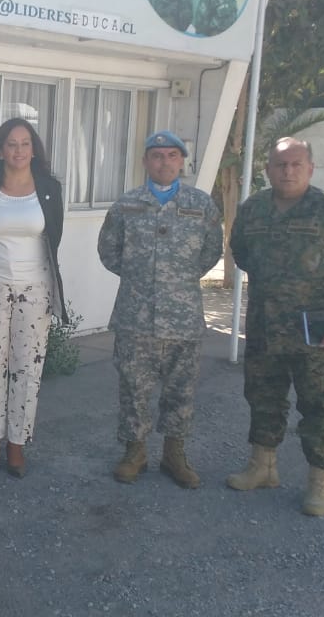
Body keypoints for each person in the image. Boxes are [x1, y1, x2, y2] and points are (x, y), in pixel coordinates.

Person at [226, 137, 324, 517]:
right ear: (268, 170)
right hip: (265, 327)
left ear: (310, 168)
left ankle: (320, 482)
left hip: (316, 333)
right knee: (262, 397)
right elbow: (241, 252)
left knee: (319, 406)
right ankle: (262, 466)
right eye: (280, 165)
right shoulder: (253, 209)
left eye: (296, 164)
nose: (288, 171)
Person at [97, 130, 223, 488]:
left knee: (181, 390)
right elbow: (108, 251)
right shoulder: (127, 205)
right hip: (135, 315)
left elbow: (212, 250)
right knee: (133, 388)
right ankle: (134, 452)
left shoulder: (201, 204)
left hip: (183, 316)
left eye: (171, 155)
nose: (164, 162)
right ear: (145, 162)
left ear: (181, 161)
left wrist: (175, 280)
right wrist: (142, 278)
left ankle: (174, 453)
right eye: (156, 155)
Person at [0, 118, 66, 478]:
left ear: (33, 149)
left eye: (25, 143)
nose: (18, 150)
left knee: (27, 368)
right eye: (11, 144)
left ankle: (16, 444)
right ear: (0, 150)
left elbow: (54, 235)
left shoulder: (49, 188)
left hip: (36, 289)